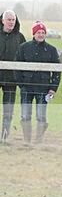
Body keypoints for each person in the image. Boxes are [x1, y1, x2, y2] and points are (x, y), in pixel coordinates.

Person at [14, 21, 61, 144]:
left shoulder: (51, 50)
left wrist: (53, 88)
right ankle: (27, 141)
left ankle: (39, 141)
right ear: (34, 33)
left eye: (43, 32)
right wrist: (21, 84)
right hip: (26, 88)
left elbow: (57, 71)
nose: (41, 35)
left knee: (41, 116)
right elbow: (16, 67)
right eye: (38, 32)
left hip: (43, 88)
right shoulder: (23, 48)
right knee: (25, 115)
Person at [0, 10, 26, 142]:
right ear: (2, 21)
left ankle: (4, 137)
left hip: (11, 79)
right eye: (9, 19)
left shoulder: (20, 37)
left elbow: (25, 58)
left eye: (13, 20)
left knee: (8, 110)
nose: (11, 22)